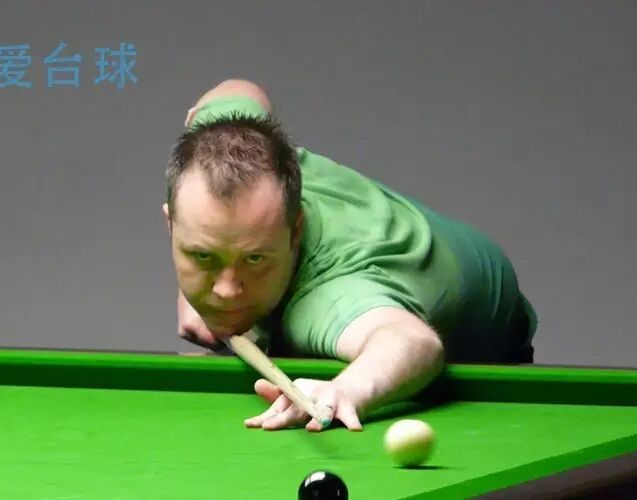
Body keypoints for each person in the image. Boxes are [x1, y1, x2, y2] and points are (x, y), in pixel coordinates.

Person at [162, 79, 537, 432]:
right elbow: (240, 89)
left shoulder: (329, 295)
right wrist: (197, 288)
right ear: (171, 225)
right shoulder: (246, 147)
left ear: (295, 231)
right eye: (203, 255)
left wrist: (346, 390)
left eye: (255, 259)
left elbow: (413, 342)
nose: (227, 289)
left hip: (488, 328)